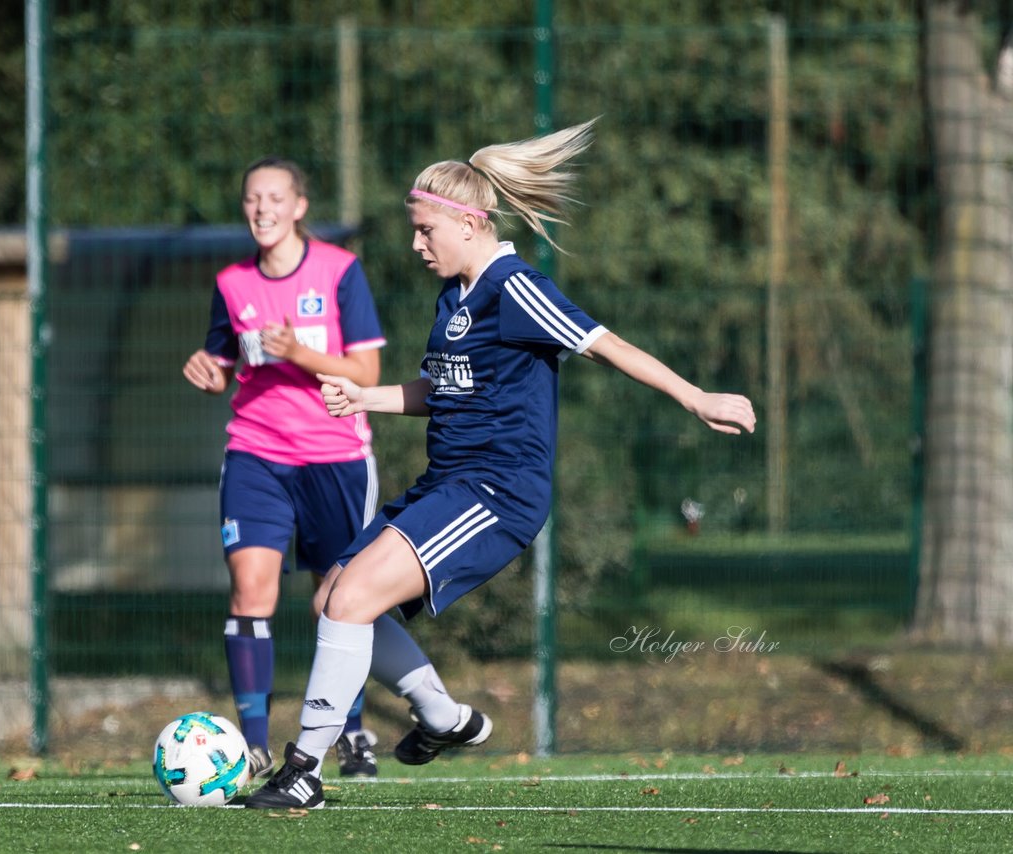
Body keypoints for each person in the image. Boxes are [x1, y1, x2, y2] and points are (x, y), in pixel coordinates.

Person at [244, 120, 756, 809]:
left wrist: (696, 397)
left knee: (352, 598)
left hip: (497, 491)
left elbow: (605, 344)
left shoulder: (514, 287)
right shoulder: (453, 298)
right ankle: (445, 718)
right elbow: (445, 390)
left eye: (426, 229)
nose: (417, 243)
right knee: (331, 595)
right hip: (447, 483)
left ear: (469, 223)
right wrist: (366, 395)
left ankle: (304, 768)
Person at [183, 156, 440, 780]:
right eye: (252, 199)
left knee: (338, 597)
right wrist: (208, 372)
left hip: (335, 458)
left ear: (299, 206)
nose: (262, 209)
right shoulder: (232, 283)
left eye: (274, 197)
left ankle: (351, 734)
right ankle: (250, 746)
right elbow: (222, 364)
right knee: (251, 591)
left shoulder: (339, 270)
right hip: (255, 454)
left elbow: (368, 374)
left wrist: (298, 351)